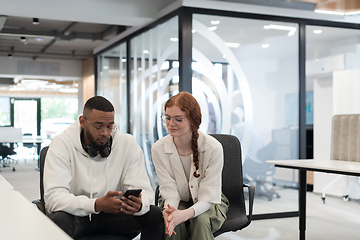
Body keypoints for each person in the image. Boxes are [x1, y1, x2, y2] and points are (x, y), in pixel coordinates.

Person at [43, 96, 163, 239]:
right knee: (58, 219)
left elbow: (146, 192)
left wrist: (139, 204)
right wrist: (96, 205)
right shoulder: (62, 144)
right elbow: (53, 198)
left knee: (154, 214)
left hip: (115, 218)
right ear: (82, 122)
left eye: (110, 126)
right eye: (98, 127)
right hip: (78, 218)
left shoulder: (127, 144)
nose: (105, 133)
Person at [151, 92, 229, 240]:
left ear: (193, 120)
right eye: (167, 118)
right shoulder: (158, 149)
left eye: (178, 119)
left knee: (200, 221)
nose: (171, 124)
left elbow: (208, 197)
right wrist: (170, 210)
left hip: (209, 201)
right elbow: (170, 191)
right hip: (175, 200)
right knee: (172, 221)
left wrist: (185, 214)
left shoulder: (213, 148)